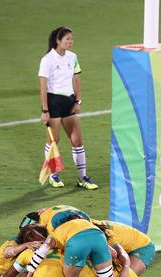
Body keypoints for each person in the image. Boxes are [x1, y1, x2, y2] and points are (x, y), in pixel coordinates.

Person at [38, 26, 97, 190]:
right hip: (53, 102)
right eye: (67, 39)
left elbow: (76, 79)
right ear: (58, 41)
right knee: (53, 140)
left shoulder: (73, 57)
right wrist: (45, 110)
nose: (70, 42)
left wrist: (77, 101)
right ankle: (53, 174)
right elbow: (43, 86)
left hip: (69, 102)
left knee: (77, 141)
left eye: (72, 39)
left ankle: (82, 177)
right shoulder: (47, 60)